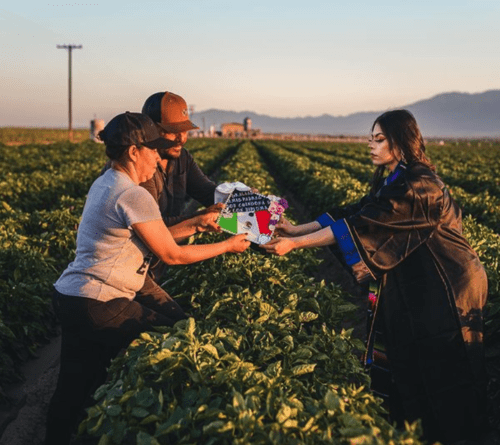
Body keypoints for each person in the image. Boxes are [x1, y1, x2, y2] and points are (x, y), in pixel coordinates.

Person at [261, 110, 488, 444]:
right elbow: (354, 214)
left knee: (443, 365)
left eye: (379, 139)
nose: (371, 145)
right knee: (412, 351)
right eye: (371, 137)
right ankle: (418, 428)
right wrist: (296, 228)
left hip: (448, 284)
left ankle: (456, 433)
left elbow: (363, 227)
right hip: (422, 279)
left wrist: (296, 243)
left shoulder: (419, 185)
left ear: (401, 142)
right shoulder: (394, 178)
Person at [44, 112, 250, 445]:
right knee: (176, 340)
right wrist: (227, 245)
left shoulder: (108, 182)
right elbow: (172, 254)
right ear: (133, 151)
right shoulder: (134, 194)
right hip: (100, 300)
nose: (159, 156)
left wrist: (198, 223)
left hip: (72, 296)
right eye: (153, 150)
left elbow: (157, 235)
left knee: (75, 384)